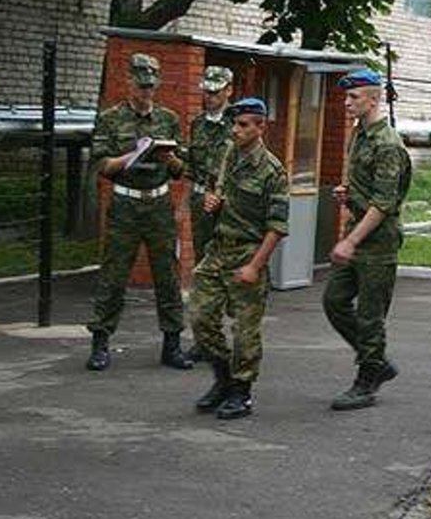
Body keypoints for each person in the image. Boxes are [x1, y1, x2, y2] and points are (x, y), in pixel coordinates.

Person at [85, 53, 192, 372]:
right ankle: (100, 342)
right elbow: (102, 165)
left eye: (150, 85)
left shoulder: (168, 119)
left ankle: (172, 344)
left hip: (158, 204)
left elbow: (180, 168)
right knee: (114, 274)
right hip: (125, 204)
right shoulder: (111, 118)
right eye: (140, 84)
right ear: (128, 81)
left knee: (167, 275)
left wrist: (170, 160)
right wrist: (133, 155)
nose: (145, 91)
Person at [191, 97, 289, 420]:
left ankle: (241, 393)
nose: (236, 130)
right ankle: (222, 379)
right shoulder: (229, 155)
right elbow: (216, 190)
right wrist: (211, 201)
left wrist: (255, 266)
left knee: (245, 330)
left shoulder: (272, 171)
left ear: (261, 127)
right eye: (234, 124)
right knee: (201, 318)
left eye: (244, 125)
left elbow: (276, 227)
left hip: (248, 253)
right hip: (218, 249)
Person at [323, 69, 412, 411]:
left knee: (371, 315)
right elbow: (368, 191)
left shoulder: (388, 144)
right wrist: (349, 194)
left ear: (374, 100)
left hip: (377, 240)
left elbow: (384, 205)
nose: (347, 103)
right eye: (346, 97)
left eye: (354, 97)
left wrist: (350, 242)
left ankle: (367, 380)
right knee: (334, 301)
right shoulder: (359, 134)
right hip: (358, 230)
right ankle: (376, 361)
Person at [181, 65, 234, 361]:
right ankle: (205, 339)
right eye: (207, 91)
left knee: (227, 269)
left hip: (228, 207)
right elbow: (190, 168)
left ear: (228, 91)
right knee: (203, 271)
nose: (210, 97)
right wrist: (183, 204)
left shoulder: (238, 124)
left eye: (216, 92)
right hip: (201, 202)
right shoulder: (198, 124)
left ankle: (237, 334)